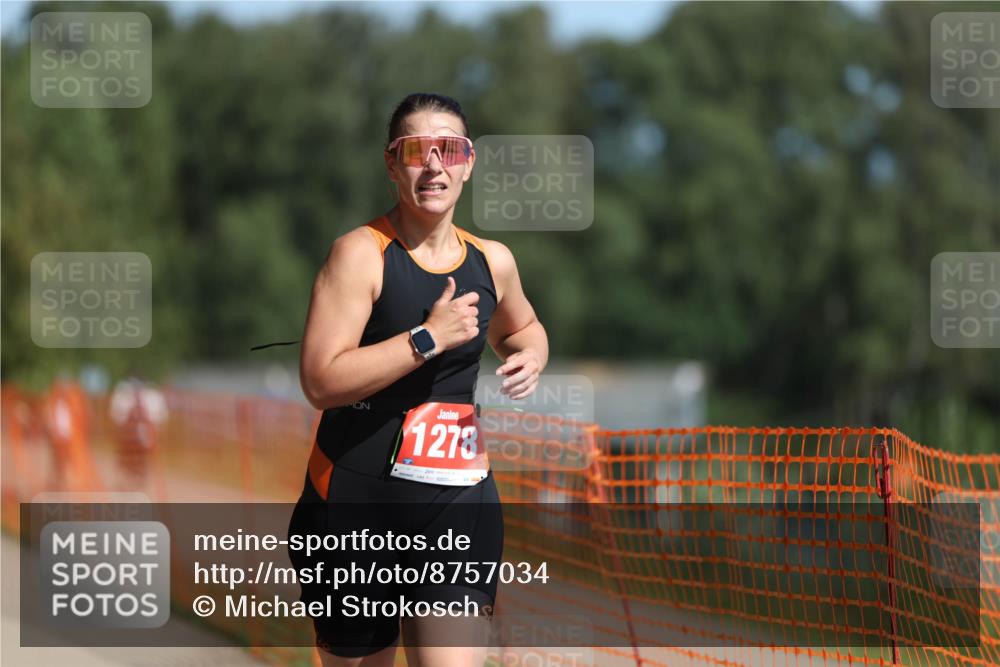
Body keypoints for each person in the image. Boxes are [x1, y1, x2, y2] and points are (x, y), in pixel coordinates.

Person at [288, 92, 548, 667]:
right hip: (354, 510)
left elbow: (524, 326)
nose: (434, 164)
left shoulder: (492, 261)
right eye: (416, 150)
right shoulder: (360, 255)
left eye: (448, 149)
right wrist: (426, 338)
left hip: (457, 506)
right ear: (391, 163)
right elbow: (319, 381)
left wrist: (532, 352)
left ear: (469, 162)